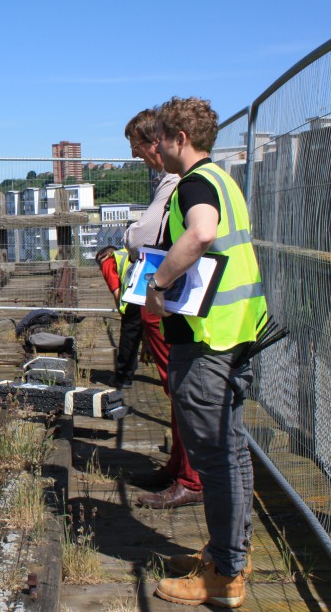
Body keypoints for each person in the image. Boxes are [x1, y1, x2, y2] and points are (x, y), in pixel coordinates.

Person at [146, 97, 267, 608]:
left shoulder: (194, 184)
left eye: (161, 138)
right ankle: (228, 553)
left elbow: (201, 234)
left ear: (179, 138)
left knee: (216, 458)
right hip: (236, 332)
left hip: (208, 340)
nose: (157, 148)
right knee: (232, 451)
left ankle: (225, 574)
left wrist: (159, 280)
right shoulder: (222, 180)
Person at [123, 109, 203, 511]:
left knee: (182, 390)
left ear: (161, 141)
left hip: (174, 300)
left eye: (138, 147)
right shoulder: (176, 182)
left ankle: (190, 476)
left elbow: (146, 235)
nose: (139, 156)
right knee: (175, 389)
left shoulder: (182, 183)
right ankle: (179, 466)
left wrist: (154, 280)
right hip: (172, 298)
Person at [94, 245, 143, 389]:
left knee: (129, 338)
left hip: (134, 299)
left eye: (99, 263)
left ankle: (123, 378)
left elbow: (116, 291)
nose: (100, 268)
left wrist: (123, 312)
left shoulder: (109, 261)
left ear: (106, 254)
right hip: (152, 292)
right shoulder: (130, 253)